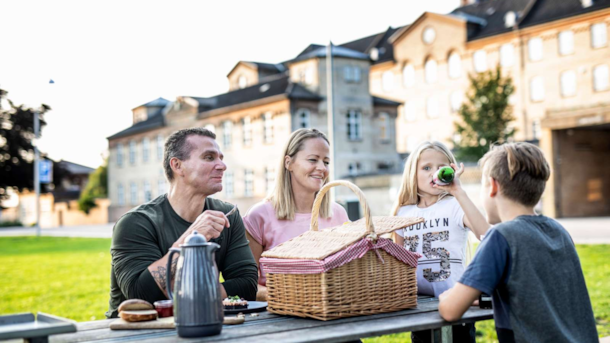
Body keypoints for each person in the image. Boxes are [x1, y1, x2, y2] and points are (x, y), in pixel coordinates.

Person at [438, 142, 598, 342]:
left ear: (493, 186)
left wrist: (447, 297)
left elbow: (450, 310)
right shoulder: (559, 232)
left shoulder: (501, 238)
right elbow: (535, 291)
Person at [105, 128, 258, 318]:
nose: (222, 165)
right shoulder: (135, 223)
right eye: (209, 157)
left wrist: (186, 297)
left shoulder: (227, 215)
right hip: (135, 332)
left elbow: (247, 285)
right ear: (177, 165)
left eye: (220, 157)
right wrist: (192, 237)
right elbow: (142, 296)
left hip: (200, 324)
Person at [391, 141, 490, 343]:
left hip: (457, 305)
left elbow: (486, 234)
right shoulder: (403, 213)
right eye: (426, 168)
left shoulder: (454, 205)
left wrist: (459, 192)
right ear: (412, 173)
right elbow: (398, 264)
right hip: (419, 306)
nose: (433, 173)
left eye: (440, 167)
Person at [243, 128, 350, 301]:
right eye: (313, 160)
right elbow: (247, 284)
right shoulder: (259, 216)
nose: (322, 168)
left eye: (326, 162)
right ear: (288, 163)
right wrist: (290, 296)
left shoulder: (338, 213)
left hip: (332, 313)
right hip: (278, 319)